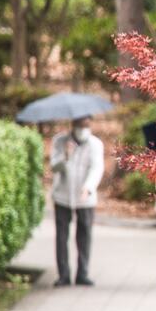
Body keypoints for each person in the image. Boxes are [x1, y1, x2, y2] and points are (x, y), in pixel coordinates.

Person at [50, 116, 104, 287]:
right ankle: (63, 274)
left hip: (85, 197)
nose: (83, 129)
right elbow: (54, 166)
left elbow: (97, 167)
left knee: (85, 234)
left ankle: (83, 273)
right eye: (80, 125)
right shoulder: (60, 141)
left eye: (86, 125)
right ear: (72, 125)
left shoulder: (95, 144)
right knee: (62, 235)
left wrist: (88, 187)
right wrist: (66, 156)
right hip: (63, 195)